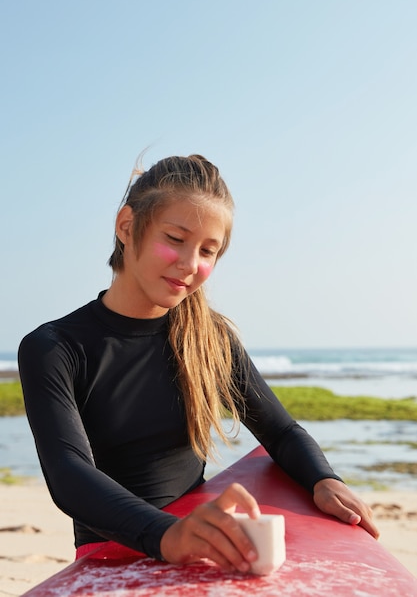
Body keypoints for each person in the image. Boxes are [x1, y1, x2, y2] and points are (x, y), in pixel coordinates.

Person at [18, 154, 379, 574]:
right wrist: (168, 534)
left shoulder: (209, 338)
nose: (190, 265)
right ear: (126, 226)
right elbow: (69, 474)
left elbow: (281, 432)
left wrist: (322, 479)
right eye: (174, 238)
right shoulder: (55, 347)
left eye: (208, 251)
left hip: (199, 550)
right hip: (110, 558)